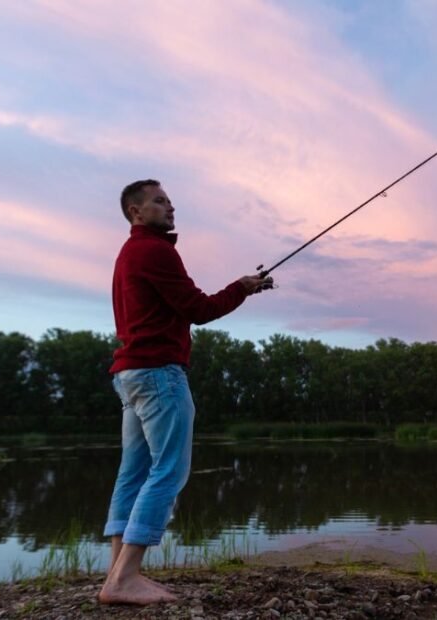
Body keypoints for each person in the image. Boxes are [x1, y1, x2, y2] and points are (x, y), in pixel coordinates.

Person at [99, 179, 272, 605]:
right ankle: (125, 579)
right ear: (136, 212)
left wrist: (242, 287)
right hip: (159, 374)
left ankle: (118, 575)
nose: (170, 207)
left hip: (132, 374)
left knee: (134, 473)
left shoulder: (129, 253)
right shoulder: (156, 251)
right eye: (159, 202)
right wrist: (243, 288)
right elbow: (199, 309)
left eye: (170, 202)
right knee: (168, 471)